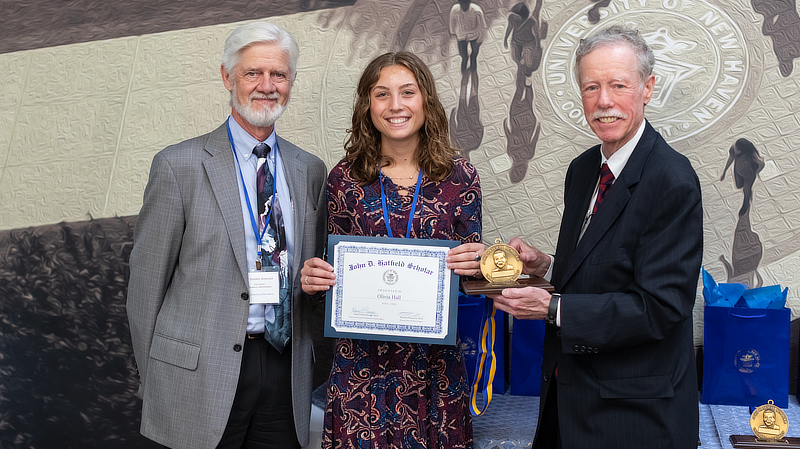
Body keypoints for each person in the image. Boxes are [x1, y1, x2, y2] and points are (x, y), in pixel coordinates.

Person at [491, 25, 703, 449]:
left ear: (648, 88)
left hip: (634, 419)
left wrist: (551, 307)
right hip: (568, 405)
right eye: (591, 86)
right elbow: (599, 266)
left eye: (618, 85)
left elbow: (659, 307)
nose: (603, 101)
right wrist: (545, 266)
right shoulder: (584, 168)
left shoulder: (672, 180)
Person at [126, 21, 327, 449]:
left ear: (291, 81)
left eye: (279, 74)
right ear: (227, 77)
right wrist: (161, 376)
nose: (267, 86)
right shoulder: (178, 165)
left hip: (284, 370)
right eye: (253, 72)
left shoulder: (309, 169)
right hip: (198, 376)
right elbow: (145, 289)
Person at [300, 51, 484, 448]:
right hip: (360, 370)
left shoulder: (460, 177)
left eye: (407, 92)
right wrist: (317, 280)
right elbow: (331, 282)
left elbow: (473, 281)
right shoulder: (344, 179)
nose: (395, 105)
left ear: (426, 101)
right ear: (368, 104)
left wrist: (477, 264)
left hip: (434, 369)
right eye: (382, 94)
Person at [449, 0, 487, 74]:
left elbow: (482, 26)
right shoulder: (454, 10)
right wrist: (452, 32)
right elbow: (452, 22)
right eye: (462, 3)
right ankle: (463, 70)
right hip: (461, 35)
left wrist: (480, 39)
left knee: (474, 54)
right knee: (464, 56)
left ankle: (473, 68)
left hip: (474, 35)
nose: (464, 6)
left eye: (466, 3)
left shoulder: (477, 10)